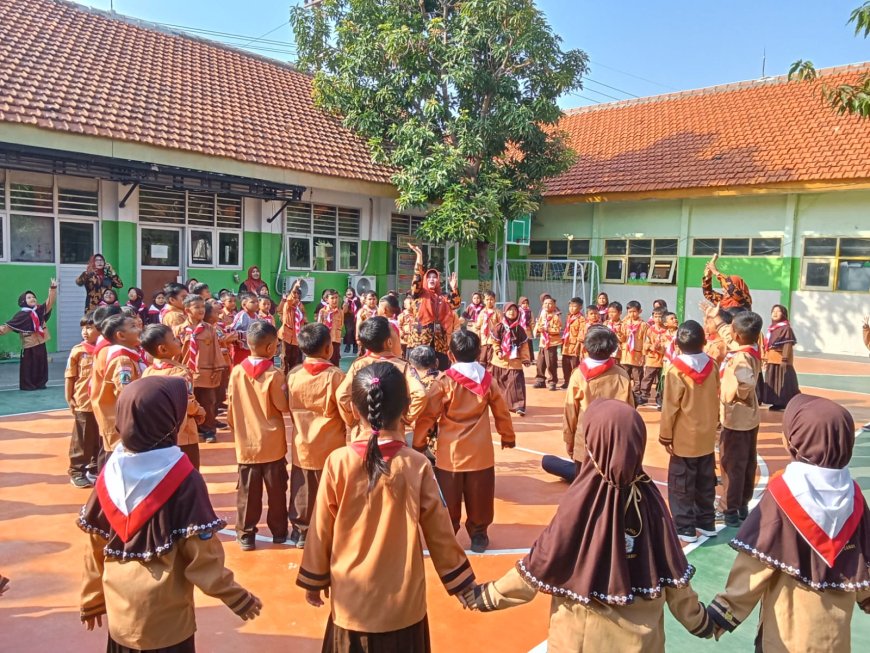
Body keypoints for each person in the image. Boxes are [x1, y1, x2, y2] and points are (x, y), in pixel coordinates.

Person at [469, 400, 713, 651]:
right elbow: (673, 573)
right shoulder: (652, 501)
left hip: (582, 641)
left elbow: (539, 565)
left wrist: (483, 597)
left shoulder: (582, 502)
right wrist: (701, 622)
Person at [297, 362, 476, 651]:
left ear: (355, 411)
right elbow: (440, 531)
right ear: (406, 409)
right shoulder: (416, 465)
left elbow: (320, 527)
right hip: (403, 606)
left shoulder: (338, 461)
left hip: (350, 602)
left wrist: (313, 578)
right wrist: (460, 581)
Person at [78, 376, 261, 651]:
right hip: (167, 621)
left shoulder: (110, 473)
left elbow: (95, 546)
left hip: (121, 615)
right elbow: (203, 556)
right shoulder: (183, 477)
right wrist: (236, 596)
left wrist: (92, 599)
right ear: (168, 421)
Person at [707, 394, 870, 650]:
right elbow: (863, 560)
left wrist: (722, 615)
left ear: (799, 440)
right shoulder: (854, 496)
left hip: (787, 635)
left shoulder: (784, 494)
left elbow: (755, 565)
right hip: (835, 635)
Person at [413, 329, 516, 553]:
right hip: (481, 451)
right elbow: (502, 412)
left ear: (450, 355)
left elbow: (428, 416)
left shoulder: (444, 382)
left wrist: (419, 442)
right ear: (479, 352)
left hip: (450, 452)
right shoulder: (488, 380)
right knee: (481, 494)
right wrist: (507, 436)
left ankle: (447, 534)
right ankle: (479, 535)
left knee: (448, 496)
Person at [226, 321, 290, 550]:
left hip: (246, 443)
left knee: (246, 492)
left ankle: (246, 534)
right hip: (272, 443)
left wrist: (237, 432)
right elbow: (282, 406)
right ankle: (280, 532)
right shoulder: (274, 374)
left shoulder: (236, 372)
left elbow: (231, 408)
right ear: (271, 347)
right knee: (276, 492)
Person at [286, 323, 346, 548]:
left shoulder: (293, 375)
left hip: (302, 440)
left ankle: (301, 531)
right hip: (330, 444)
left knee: (302, 487)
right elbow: (345, 408)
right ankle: (328, 530)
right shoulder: (336, 376)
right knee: (329, 489)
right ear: (328, 349)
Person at [658, 320, 719, 543]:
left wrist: (665, 435)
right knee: (705, 480)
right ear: (704, 341)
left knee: (681, 483)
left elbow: (670, 407)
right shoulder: (712, 365)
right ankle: (707, 521)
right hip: (706, 434)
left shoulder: (676, 370)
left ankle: (685, 526)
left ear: (677, 344)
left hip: (684, 436)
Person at [702, 303, 763, 528]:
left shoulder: (742, 358)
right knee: (746, 462)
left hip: (737, 418)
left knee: (732, 465)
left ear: (738, 334)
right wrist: (716, 318)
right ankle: (741, 505)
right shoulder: (747, 347)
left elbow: (745, 381)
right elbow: (728, 335)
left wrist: (735, 395)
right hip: (748, 417)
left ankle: (728, 509)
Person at [336, 317, 427, 438]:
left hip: (364, 432)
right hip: (394, 433)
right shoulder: (403, 366)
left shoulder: (358, 365)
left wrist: (353, 421)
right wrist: (406, 418)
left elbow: (341, 396)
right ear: (389, 342)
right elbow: (421, 394)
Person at [562, 327, 634, 475]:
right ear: (613, 348)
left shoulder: (578, 375)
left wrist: (569, 439)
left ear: (586, 347)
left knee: (583, 482)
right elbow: (630, 412)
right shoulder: (622, 374)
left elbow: (570, 411)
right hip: (614, 440)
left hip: (586, 439)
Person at [140, 324, 206, 470]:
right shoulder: (180, 373)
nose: (179, 341)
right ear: (163, 349)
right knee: (188, 471)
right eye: (174, 339)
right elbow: (188, 402)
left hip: (157, 432)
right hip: (183, 434)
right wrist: (199, 411)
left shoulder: (148, 372)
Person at [91, 314, 144, 464]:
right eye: (133, 327)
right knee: (117, 458)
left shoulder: (129, 355)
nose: (139, 328)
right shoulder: (123, 360)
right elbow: (125, 391)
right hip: (119, 419)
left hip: (122, 418)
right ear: (120, 335)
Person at [178, 295, 227, 445]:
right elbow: (175, 352)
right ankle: (192, 428)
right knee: (188, 401)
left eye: (202, 307)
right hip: (186, 373)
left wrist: (217, 369)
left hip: (206, 372)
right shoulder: (179, 330)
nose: (201, 310)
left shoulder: (209, 329)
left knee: (208, 402)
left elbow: (216, 351)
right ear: (187, 310)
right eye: (196, 307)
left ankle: (209, 430)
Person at [407, 243, 460, 370]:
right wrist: (419, 256)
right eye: (429, 277)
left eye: (435, 277)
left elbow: (455, 304)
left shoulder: (442, 297)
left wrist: (454, 289)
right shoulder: (419, 294)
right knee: (419, 373)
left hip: (439, 343)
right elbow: (417, 278)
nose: (432, 279)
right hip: (420, 340)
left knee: (438, 374)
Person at [65, 313, 101, 488]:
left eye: (89, 327)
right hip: (83, 401)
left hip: (101, 402)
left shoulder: (106, 350)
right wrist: (69, 397)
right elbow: (70, 376)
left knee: (99, 436)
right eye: (83, 328)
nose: (85, 332)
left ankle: (94, 468)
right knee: (82, 437)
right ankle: (76, 470)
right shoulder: (78, 351)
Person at [0, 281, 57, 390]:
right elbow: (8, 326)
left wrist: (53, 288)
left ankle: (41, 383)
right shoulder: (21, 315)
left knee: (41, 364)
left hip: (41, 342)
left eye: (33, 297)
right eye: (29, 297)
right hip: (29, 344)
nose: (32, 298)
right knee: (29, 366)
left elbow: (50, 302)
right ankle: (28, 385)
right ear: (23, 301)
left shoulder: (40, 310)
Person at [489, 302, 531, 416]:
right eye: (509, 310)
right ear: (504, 312)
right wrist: (498, 351)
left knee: (515, 383)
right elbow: (495, 341)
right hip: (500, 360)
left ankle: (519, 406)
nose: (512, 312)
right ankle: (500, 404)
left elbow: (524, 345)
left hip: (514, 361)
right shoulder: (499, 327)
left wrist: (525, 358)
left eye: (514, 310)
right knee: (499, 384)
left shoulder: (520, 329)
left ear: (518, 313)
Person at [758, 304, 800, 411]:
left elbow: (787, 345)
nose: (775, 313)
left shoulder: (786, 328)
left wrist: (785, 359)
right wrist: (766, 358)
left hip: (781, 360)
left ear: (784, 314)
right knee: (773, 380)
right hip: (772, 359)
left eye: (778, 311)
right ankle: (776, 402)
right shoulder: (771, 329)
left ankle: (785, 402)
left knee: (784, 381)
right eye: (773, 311)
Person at [533, 296, 563, 390]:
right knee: (540, 363)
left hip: (551, 343)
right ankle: (540, 380)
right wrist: (538, 329)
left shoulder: (556, 316)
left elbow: (558, 329)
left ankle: (552, 381)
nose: (547, 305)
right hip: (542, 342)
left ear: (554, 306)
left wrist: (547, 329)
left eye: (550, 303)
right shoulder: (542, 315)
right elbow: (537, 325)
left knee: (551, 363)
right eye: (545, 303)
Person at [621, 301, 648, 403]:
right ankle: (624, 393)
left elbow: (645, 340)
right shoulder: (624, 324)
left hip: (637, 355)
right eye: (629, 312)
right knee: (624, 375)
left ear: (640, 311)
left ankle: (636, 395)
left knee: (637, 377)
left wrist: (644, 355)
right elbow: (622, 338)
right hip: (625, 355)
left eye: (634, 311)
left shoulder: (644, 325)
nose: (632, 314)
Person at [278, 280, 306, 374]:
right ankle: (283, 378)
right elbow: (290, 298)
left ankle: (294, 377)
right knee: (285, 357)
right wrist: (295, 286)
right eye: (295, 294)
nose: (296, 296)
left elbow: (304, 317)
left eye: (298, 294)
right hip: (287, 335)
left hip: (297, 336)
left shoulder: (300, 306)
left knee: (296, 358)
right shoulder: (288, 304)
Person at [640, 309, 667, 407]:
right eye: (656, 316)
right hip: (652, 358)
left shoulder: (667, 330)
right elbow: (646, 343)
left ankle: (660, 398)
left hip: (663, 359)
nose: (658, 319)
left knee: (662, 380)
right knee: (648, 378)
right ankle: (644, 396)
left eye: (660, 316)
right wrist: (651, 347)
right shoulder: (650, 330)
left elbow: (668, 344)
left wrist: (660, 347)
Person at [559, 298, 585, 390]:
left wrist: (577, 346)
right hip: (566, 345)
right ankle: (567, 381)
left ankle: (575, 383)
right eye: (570, 306)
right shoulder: (569, 317)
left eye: (574, 306)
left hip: (574, 346)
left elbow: (581, 334)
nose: (571, 308)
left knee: (574, 365)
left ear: (580, 307)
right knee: (565, 365)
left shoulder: (581, 319)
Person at [230, 293, 261, 366]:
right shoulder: (242, 315)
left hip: (251, 349)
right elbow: (232, 331)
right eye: (252, 302)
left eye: (257, 301)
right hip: (240, 349)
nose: (256, 304)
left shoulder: (256, 316)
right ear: (244, 305)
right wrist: (247, 335)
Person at [474, 290, 501, 366]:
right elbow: (477, 326)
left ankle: (491, 376)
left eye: (491, 299)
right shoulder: (482, 312)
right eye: (487, 299)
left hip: (493, 341)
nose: (489, 301)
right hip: (483, 340)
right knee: (482, 359)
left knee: (491, 360)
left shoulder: (498, 312)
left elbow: (501, 326)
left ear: (495, 300)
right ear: (484, 301)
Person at [317, 290, 343, 367]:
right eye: (332, 298)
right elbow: (319, 325)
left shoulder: (340, 312)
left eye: (336, 298)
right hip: (325, 340)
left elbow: (341, 325)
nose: (335, 300)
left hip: (336, 339)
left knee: (335, 360)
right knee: (325, 360)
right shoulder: (322, 311)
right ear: (326, 299)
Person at [341, 288, 362, 354]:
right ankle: (348, 345)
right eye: (347, 291)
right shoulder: (345, 301)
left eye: (350, 291)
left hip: (356, 318)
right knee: (349, 331)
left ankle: (355, 346)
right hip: (348, 319)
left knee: (355, 331)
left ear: (353, 292)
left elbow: (360, 308)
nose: (349, 292)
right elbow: (344, 311)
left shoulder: (357, 300)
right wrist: (346, 303)